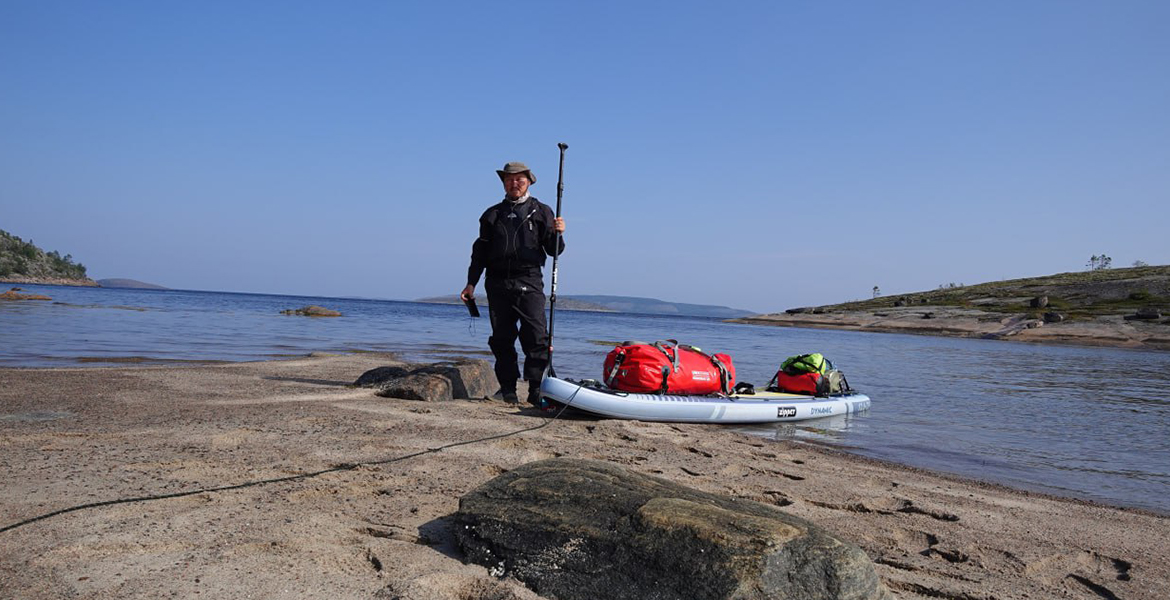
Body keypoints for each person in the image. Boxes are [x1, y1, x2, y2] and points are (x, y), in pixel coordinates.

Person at [461, 161, 566, 406]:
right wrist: (470, 283)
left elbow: (554, 250)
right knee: (502, 338)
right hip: (497, 283)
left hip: (529, 280)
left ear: (528, 181)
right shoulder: (491, 214)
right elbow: (479, 253)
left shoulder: (542, 211)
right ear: (504, 183)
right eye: (509, 179)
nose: (514, 183)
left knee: (536, 337)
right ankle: (507, 389)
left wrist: (559, 233)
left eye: (519, 179)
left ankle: (536, 389)